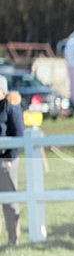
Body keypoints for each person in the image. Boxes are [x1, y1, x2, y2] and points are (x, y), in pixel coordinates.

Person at [0, 76, 25, 245]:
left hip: (6, 161)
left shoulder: (11, 107)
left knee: (9, 201)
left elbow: (19, 134)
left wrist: (9, 158)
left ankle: (13, 239)